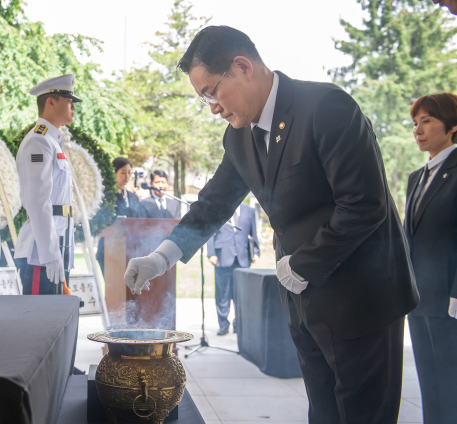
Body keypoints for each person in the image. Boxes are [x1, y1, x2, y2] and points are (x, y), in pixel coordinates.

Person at [124, 26, 418, 424]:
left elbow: (364, 206)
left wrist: (301, 265)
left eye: (211, 91)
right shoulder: (239, 137)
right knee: (324, 413)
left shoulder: (326, 107)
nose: (211, 106)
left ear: (242, 66)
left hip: (360, 301)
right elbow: (213, 204)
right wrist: (162, 257)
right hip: (305, 301)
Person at [405, 92, 457, 424]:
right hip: (418, 297)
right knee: (429, 382)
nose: (418, 130)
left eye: (427, 121)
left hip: (449, 300)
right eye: (415, 123)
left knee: (451, 384)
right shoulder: (416, 177)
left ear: (452, 127)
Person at [15, 74, 81, 295]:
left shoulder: (52, 141)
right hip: (41, 252)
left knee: (57, 321)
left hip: (58, 243)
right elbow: (37, 201)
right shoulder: (39, 140)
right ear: (51, 102)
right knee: (38, 323)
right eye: (68, 101)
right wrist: (50, 253)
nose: (73, 106)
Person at [207, 202, 259, 335]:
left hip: (242, 258)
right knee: (222, 294)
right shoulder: (219, 208)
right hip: (222, 257)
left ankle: (239, 324)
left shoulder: (249, 210)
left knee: (242, 294)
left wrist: (256, 251)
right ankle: (223, 324)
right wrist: (211, 253)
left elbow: (253, 232)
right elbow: (210, 232)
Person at [96, 157, 144, 275]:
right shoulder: (105, 196)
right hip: (109, 249)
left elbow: (138, 220)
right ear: (114, 173)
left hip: (131, 250)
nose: (127, 176)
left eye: (129, 172)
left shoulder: (133, 197)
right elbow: (102, 220)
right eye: (123, 172)